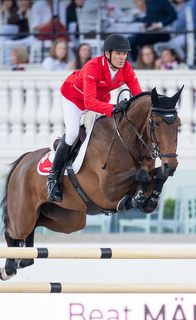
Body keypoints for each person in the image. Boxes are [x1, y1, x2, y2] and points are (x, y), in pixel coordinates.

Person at [49, 34, 142, 202]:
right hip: (74, 99)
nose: (122, 58)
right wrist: (114, 108)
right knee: (72, 132)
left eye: (125, 54)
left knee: (104, 132)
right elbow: (89, 102)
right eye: (118, 54)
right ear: (107, 54)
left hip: (99, 100)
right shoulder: (93, 66)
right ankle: (53, 179)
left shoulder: (126, 68)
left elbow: (138, 96)